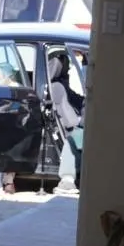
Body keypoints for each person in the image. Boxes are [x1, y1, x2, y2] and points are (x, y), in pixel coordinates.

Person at [47, 52, 85, 183]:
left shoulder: (62, 85)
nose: (68, 68)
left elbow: (77, 99)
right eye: (66, 65)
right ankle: (68, 179)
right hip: (72, 127)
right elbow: (70, 120)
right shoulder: (57, 87)